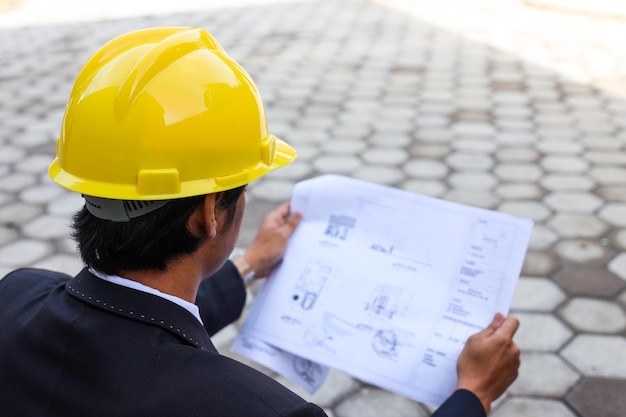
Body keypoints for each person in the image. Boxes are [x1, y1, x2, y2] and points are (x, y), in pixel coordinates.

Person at [0, 27, 520, 416]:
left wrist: (248, 265)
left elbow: (131, 326)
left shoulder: (14, 296)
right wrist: (472, 393)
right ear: (208, 214)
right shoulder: (252, 408)